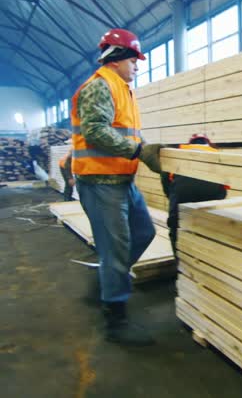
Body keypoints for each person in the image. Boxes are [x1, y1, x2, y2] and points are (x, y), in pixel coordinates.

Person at [71, 28, 163, 346]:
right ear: (119, 58)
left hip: (122, 180)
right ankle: (115, 321)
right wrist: (139, 151)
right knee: (117, 250)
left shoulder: (123, 89)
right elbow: (96, 131)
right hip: (100, 182)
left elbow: (128, 135)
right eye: (134, 60)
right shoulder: (100, 86)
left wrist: (150, 151)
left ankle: (109, 279)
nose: (137, 66)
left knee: (144, 233)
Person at [161, 134, 229, 253]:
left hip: (181, 194)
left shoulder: (178, 153)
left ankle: (180, 264)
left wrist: (172, 197)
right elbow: (224, 188)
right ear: (208, 143)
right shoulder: (218, 155)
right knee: (207, 231)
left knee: (176, 228)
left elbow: (165, 179)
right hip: (210, 197)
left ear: (190, 143)